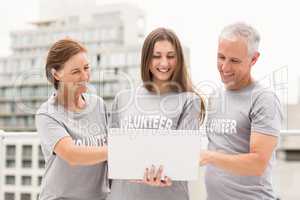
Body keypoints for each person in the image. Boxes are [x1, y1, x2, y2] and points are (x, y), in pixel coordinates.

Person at [107, 27, 206, 200]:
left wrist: (165, 172)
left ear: (179, 59)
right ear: (146, 58)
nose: (164, 63)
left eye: (170, 56)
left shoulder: (189, 101)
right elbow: (111, 154)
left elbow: (185, 157)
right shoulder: (123, 99)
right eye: (156, 55)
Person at [200, 22, 283, 200]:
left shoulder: (264, 99)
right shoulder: (214, 96)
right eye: (221, 57)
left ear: (254, 59)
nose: (224, 67)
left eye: (234, 60)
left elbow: (258, 163)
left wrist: (208, 157)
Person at [35, 38, 108, 200]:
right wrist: (117, 151)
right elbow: (72, 154)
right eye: (76, 72)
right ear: (56, 74)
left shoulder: (99, 105)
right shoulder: (47, 114)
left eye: (87, 68)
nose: (85, 76)